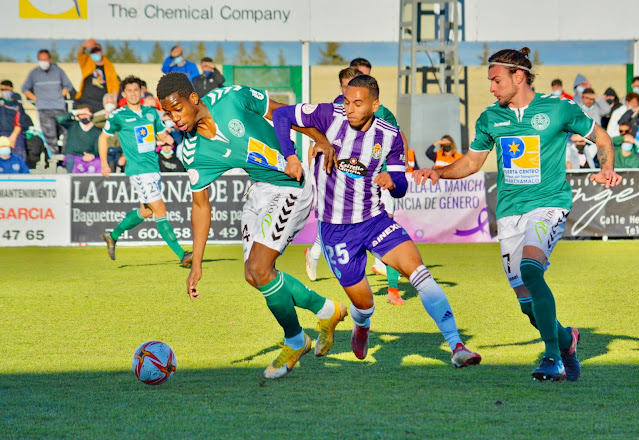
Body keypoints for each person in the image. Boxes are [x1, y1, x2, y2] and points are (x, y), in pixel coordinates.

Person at [413, 47, 621, 382]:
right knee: (526, 303)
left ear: (518, 76)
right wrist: (439, 172)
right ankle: (567, 341)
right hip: (510, 213)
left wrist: (606, 167)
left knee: (530, 269)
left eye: (496, 80)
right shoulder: (490, 119)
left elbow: (601, 138)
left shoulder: (558, 108)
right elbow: (471, 162)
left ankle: (552, 358)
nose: (492, 88)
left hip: (549, 203)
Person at [272, 74, 482, 367]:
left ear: (375, 105)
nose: (350, 109)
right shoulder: (328, 115)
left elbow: (402, 184)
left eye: (358, 103)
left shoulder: (390, 135)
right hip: (336, 230)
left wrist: (392, 181)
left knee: (419, 272)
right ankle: (362, 325)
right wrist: (290, 156)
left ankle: (456, 345)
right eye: (347, 101)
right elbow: (281, 114)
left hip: (374, 220)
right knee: (364, 305)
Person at [156, 72, 348, 380]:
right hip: (259, 190)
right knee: (253, 275)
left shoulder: (232, 97)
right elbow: (200, 205)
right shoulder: (191, 152)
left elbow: (282, 111)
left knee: (259, 269)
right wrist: (197, 262)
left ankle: (295, 340)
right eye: (168, 113)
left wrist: (321, 139)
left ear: (193, 99)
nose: (173, 118)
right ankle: (328, 311)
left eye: (177, 109)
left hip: (292, 186)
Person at [306, 65, 405, 305]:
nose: (347, 94)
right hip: (345, 182)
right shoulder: (335, 112)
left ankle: (392, 290)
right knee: (338, 227)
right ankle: (317, 253)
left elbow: (398, 137)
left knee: (387, 223)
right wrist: (313, 174)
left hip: (379, 179)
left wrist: (399, 169)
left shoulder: (382, 112)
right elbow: (315, 143)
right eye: (343, 87)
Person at [98, 76, 192, 267]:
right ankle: (182, 255)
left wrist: (167, 138)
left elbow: (159, 134)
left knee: (146, 212)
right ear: (124, 94)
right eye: (129, 91)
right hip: (138, 170)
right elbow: (103, 138)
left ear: (141, 91)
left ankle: (112, 235)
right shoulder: (118, 115)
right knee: (160, 209)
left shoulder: (151, 113)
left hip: (153, 168)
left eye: (136, 89)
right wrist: (104, 164)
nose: (133, 93)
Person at [21, 49, 74, 154]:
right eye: (41, 60)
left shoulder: (58, 71)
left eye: (45, 59)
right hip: (43, 110)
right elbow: (25, 89)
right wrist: (37, 99)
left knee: (67, 132)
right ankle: (54, 159)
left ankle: (65, 156)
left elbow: (68, 86)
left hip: (59, 108)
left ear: (50, 59)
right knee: (50, 136)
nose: (43, 62)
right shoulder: (34, 73)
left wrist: (58, 96)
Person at [76, 39, 120, 113]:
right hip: (85, 100)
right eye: (93, 51)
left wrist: (113, 101)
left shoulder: (109, 66)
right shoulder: (87, 62)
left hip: (101, 102)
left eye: (97, 50)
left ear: (102, 52)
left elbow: (115, 85)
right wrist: (84, 46)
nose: (95, 53)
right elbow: (80, 55)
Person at [57, 104, 101, 173]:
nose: (84, 116)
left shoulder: (97, 131)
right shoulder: (72, 125)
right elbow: (60, 119)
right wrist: (77, 112)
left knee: (99, 162)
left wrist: (92, 155)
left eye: (86, 114)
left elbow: (98, 148)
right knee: (70, 161)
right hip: (73, 156)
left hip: (89, 157)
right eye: (82, 114)